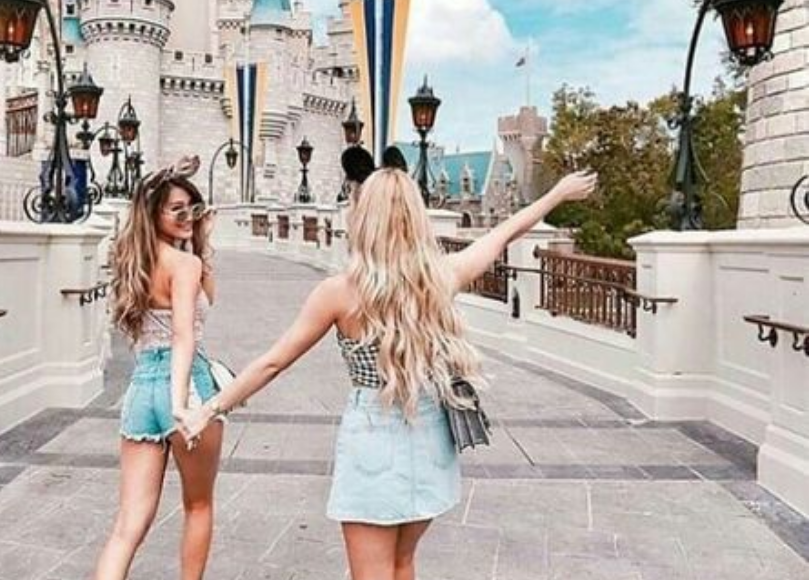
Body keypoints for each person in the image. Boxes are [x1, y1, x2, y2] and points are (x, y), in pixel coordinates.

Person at [178, 167, 597, 580]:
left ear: (365, 220)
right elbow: (504, 233)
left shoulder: (340, 292)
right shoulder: (442, 276)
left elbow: (274, 362)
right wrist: (557, 193)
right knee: (401, 564)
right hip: (431, 436)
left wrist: (209, 409)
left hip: (373, 440)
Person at [93, 156, 223, 580]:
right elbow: (184, 336)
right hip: (185, 385)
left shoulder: (134, 259)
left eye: (192, 208)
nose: (188, 217)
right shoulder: (184, 265)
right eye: (177, 210)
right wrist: (181, 402)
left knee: (127, 526)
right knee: (198, 505)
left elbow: (207, 297)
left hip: (141, 388)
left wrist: (200, 241)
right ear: (155, 214)